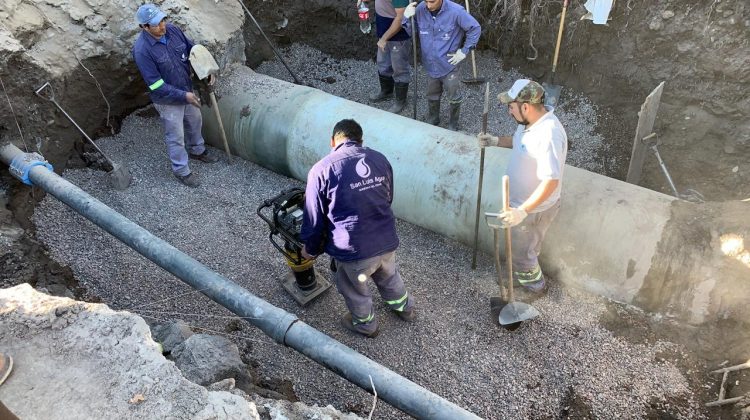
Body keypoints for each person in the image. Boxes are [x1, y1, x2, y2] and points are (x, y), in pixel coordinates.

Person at [300, 119, 415, 338]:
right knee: (389, 275)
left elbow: (314, 218)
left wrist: (311, 249)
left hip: (354, 251)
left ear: (333, 141)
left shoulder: (322, 169)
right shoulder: (379, 159)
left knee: (355, 288)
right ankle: (405, 308)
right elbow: (387, 198)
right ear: (360, 140)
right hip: (386, 240)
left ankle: (365, 325)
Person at [477, 80, 568, 292]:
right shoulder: (530, 124)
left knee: (523, 251)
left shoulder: (548, 135)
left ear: (525, 106)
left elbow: (551, 181)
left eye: (511, 106)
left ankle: (535, 286)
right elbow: (519, 142)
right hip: (522, 207)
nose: (509, 111)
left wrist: (522, 211)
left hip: (533, 211)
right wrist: (495, 141)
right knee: (519, 246)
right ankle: (520, 275)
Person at [132, 4, 217, 188]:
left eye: (163, 20)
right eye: (156, 24)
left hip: (186, 88)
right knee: (175, 135)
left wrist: (206, 68)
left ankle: (197, 150)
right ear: (144, 27)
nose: (162, 26)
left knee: (195, 120)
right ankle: (181, 171)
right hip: (167, 100)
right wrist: (183, 95)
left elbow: (192, 48)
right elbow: (155, 85)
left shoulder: (173, 30)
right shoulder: (142, 51)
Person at [403, 0, 480, 130]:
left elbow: (475, 28)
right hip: (430, 65)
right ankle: (433, 119)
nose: (428, 5)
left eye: (432, 2)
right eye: (426, 1)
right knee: (432, 94)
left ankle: (453, 124)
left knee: (453, 96)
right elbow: (411, 33)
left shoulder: (456, 12)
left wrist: (464, 50)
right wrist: (406, 18)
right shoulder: (420, 9)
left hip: (449, 65)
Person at [366, 0, 412, 114]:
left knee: (399, 68)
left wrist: (384, 38)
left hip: (398, 35)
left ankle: (400, 101)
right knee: (383, 63)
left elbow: (401, 19)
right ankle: (387, 92)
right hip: (384, 27)